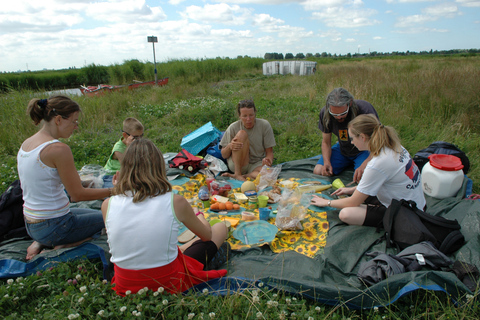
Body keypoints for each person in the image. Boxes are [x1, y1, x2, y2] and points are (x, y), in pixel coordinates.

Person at [101, 139, 228, 296]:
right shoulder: (176, 202)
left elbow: (126, 237)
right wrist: (197, 213)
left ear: (123, 170)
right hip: (167, 284)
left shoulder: (107, 204)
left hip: (125, 285)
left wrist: (117, 192)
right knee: (220, 228)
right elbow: (207, 235)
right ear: (160, 169)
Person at [17, 96, 111, 260]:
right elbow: (77, 195)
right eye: (74, 121)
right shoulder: (58, 149)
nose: (76, 127)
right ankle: (61, 245)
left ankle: (39, 242)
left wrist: (82, 182)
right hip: (54, 226)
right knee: (110, 216)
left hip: (32, 224)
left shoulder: (27, 144)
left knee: (94, 212)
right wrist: (114, 190)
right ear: (58, 119)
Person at [310, 114, 425, 228]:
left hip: (407, 213)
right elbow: (382, 180)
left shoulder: (378, 163)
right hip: (417, 203)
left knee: (346, 214)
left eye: (352, 138)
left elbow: (352, 203)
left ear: (363, 137)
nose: (351, 143)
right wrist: (351, 190)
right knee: (355, 198)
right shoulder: (393, 146)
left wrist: (326, 202)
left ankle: (387, 220)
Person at [314, 87, 379, 182]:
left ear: (350, 103)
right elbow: (326, 142)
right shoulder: (325, 114)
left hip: (364, 150)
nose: (339, 117)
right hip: (343, 149)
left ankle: (358, 163)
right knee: (319, 171)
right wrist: (327, 162)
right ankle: (347, 163)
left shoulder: (365, 109)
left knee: (365, 176)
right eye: (334, 114)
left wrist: (364, 165)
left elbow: (379, 141)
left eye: (343, 113)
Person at [219, 99, 276, 181]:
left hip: (257, 164)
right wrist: (230, 146)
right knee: (242, 134)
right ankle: (237, 174)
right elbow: (224, 155)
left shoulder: (264, 125)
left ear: (255, 113)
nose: (248, 119)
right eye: (245, 116)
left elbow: (269, 152)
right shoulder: (233, 127)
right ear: (239, 116)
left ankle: (245, 176)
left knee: (270, 175)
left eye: (251, 115)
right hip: (239, 164)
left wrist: (268, 161)